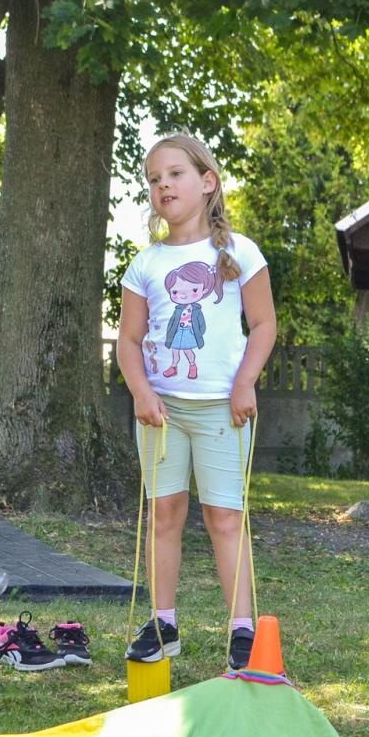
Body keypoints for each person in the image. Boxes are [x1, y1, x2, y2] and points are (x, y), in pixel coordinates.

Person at [114, 133, 277, 670]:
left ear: (207, 182)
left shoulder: (238, 253)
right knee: (165, 514)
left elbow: (264, 324)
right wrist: (140, 391)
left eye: (175, 174)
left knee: (224, 519)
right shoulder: (146, 264)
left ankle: (243, 629)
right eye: (155, 179)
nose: (164, 185)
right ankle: (163, 623)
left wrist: (245, 382)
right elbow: (130, 341)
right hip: (161, 412)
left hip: (222, 410)